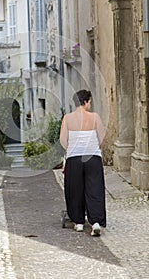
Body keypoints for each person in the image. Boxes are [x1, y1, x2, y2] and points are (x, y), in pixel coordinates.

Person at [60, 89, 106, 236]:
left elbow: (63, 140)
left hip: (74, 158)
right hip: (93, 157)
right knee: (95, 189)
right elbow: (102, 138)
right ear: (85, 101)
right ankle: (96, 222)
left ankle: (79, 222)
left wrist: (72, 149)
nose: (90, 104)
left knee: (75, 190)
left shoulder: (68, 118)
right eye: (90, 102)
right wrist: (94, 147)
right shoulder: (94, 117)